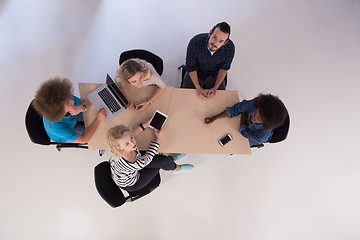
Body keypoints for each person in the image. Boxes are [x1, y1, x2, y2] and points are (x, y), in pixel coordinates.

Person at [106, 120, 194, 192]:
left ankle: (172, 160)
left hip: (128, 170)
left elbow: (133, 133)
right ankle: (177, 168)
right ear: (119, 148)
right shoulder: (131, 162)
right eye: (127, 144)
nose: (133, 143)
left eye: (131, 138)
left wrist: (147, 124)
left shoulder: (121, 147)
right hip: (132, 183)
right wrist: (158, 138)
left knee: (162, 160)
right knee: (162, 162)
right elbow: (148, 157)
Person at [33, 77, 106, 143]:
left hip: (71, 118)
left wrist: (82, 107)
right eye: (68, 102)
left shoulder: (64, 97)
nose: (72, 101)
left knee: (96, 113)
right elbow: (84, 139)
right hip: (69, 129)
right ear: (60, 111)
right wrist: (98, 119)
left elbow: (84, 101)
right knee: (98, 133)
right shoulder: (58, 128)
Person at [205, 93, 287, 147]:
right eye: (255, 112)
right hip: (251, 124)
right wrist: (214, 118)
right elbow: (234, 109)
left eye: (258, 119)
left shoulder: (262, 136)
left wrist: (243, 112)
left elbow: (244, 131)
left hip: (254, 137)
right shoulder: (256, 104)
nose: (254, 117)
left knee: (237, 144)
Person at [182, 22, 235, 99]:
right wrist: (197, 87)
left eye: (221, 41)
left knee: (219, 100)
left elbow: (224, 68)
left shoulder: (230, 48)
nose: (215, 43)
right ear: (210, 33)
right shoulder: (195, 42)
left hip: (215, 74)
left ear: (225, 42)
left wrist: (215, 87)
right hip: (196, 72)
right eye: (214, 37)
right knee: (185, 97)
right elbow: (191, 67)